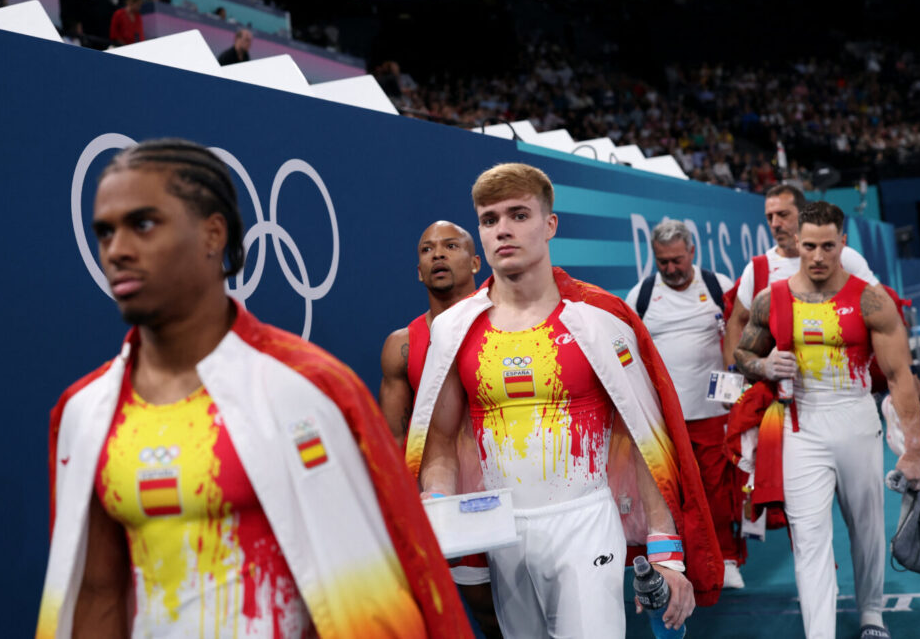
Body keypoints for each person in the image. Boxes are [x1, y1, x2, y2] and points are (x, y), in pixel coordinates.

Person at [35, 139, 470, 637]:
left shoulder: (310, 388)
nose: (118, 250)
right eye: (105, 232)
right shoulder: (84, 412)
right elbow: (95, 593)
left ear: (212, 234)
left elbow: (405, 564)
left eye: (144, 224)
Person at [406, 163, 723, 638]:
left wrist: (665, 549)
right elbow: (442, 444)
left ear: (550, 224)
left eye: (519, 214)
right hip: (500, 531)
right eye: (490, 220)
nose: (503, 230)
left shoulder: (600, 318)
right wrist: (435, 508)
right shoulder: (453, 329)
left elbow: (642, 440)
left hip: (587, 523)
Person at [734, 201, 920, 639]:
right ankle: (818, 632)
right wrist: (765, 367)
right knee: (810, 538)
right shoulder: (772, 299)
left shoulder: (871, 299)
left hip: (857, 423)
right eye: (809, 247)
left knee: (867, 529)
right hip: (802, 428)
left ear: (843, 243)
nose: (818, 257)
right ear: (795, 244)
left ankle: (871, 616)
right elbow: (742, 354)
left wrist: (913, 451)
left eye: (827, 246)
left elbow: (900, 377)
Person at [379, 221, 500, 638]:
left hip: (518, 482)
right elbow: (396, 441)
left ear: (475, 261)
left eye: (451, 246)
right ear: (418, 270)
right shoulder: (403, 345)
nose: (438, 254)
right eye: (428, 249)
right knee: (486, 613)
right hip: (451, 494)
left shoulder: (510, 329)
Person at [625, 219, 745, 589]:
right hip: (665, 421)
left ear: (692, 252)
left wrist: (735, 401)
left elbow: (738, 343)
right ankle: (676, 564)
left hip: (713, 413)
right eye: (663, 262)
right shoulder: (640, 296)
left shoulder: (719, 286)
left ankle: (726, 559)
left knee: (718, 493)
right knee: (668, 496)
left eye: (677, 259)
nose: (672, 269)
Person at [723, 184, 878, 367]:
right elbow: (736, 324)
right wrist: (734, 383)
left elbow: (882, 313)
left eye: (783, 215)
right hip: (784, 388)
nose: (775, 224)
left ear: (803, 214)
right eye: (769, 217)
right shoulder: (757, 269)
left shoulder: (845, 257)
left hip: (846, 379)